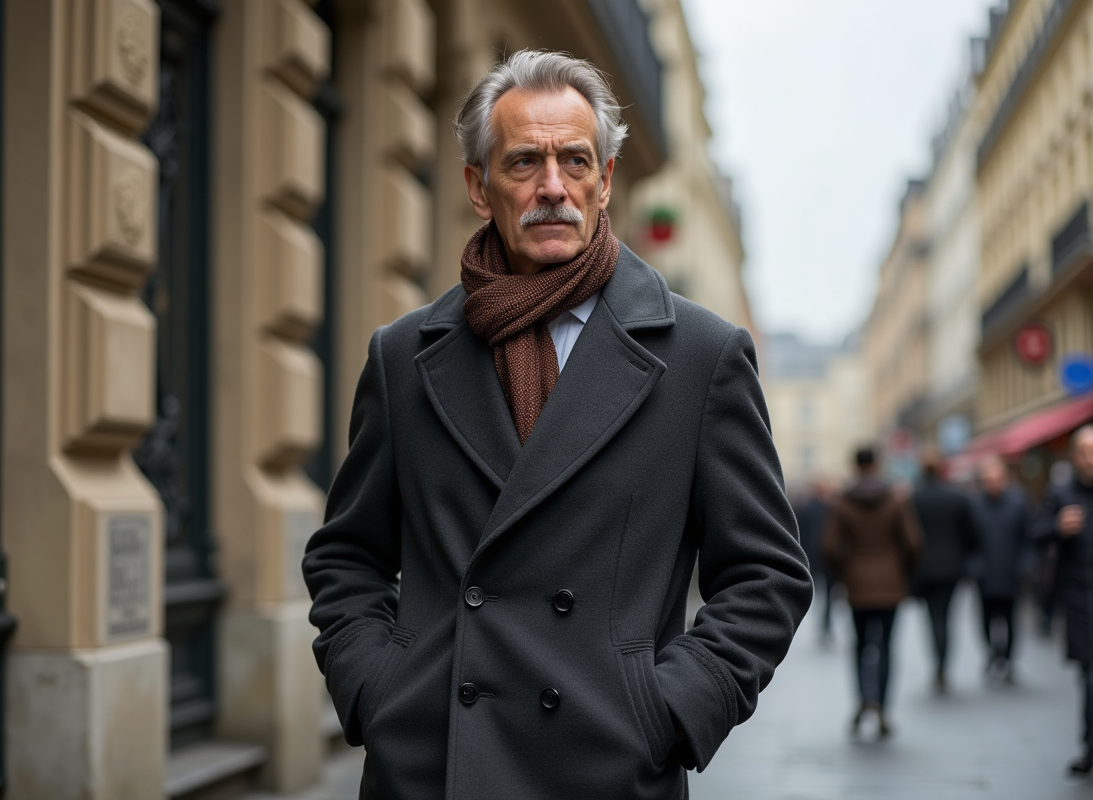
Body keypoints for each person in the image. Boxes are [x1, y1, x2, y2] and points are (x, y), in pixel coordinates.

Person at [301, 50, 814, 798]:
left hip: (609, 766)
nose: (552, 187)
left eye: (575, 160)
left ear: (605, 182)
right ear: (479, 187)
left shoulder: (701, 356)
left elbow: (768, 573)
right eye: (523, 163)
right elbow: (347, 557)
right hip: (433, 766)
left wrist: (668, 709)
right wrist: (380, 691)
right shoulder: (404, 356)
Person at [823, 446, 921, 737]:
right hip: (890, 584)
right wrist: (903, 570)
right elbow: (914, 542)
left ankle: (863, 700)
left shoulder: (843, 501)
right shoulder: (895, 499)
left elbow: (828, 545)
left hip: (857, 584)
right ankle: (883, 705)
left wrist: (844, 569)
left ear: (855, 465)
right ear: (877, 464)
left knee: (860, 645)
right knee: (887, 646)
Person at [1035, 424, 1093, 776]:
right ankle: (1090, 744)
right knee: (1090, 676)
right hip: (1080, 597)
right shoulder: (1061, 493)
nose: (1090, 460)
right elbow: (1035, 532)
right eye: (1084, 453)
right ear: (1074, 457)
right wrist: (1057, 527)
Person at [911, 449, 979, 693]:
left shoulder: (913, 498)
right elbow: (972, 534)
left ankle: (937, 664)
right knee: (947, 617)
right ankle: (943, 664)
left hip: (924, 569)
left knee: (933, 618)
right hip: (952, 568)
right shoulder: (957, 497)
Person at [970, 455, 1032, 684]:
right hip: (985, 575)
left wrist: (1026, 565)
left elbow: (1028, 536)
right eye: (988, 479)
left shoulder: (1018, 503)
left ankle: (1008, 659)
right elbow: (968, 541)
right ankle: (993, 654)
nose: (993, 483)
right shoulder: (975, 505)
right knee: (986, 620)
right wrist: (974, 566)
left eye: (996, 478)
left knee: (1011, 620)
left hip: (1011, 573)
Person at [794, 479, 836, 642]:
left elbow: (799, 533)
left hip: (809, 555)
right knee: (828, 593)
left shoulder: (805, 508)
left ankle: (818, 624)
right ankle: (826, 624)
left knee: (811, 592)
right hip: (826, 557)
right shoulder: (832, 508)